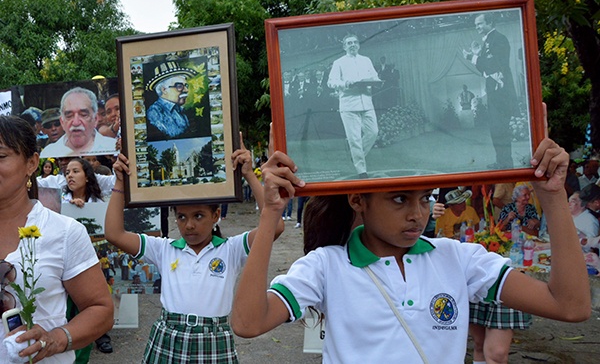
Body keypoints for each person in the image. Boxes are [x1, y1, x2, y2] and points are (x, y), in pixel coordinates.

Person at [230, 132, 591, 363]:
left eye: (424, 198)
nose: (417, 215)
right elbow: (247, 323)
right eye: (400, 199)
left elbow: (571, 306)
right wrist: (270, 215)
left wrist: (554, 197)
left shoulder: (459, 259)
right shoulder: (325, 266)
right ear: (358, 199)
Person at [104, 133, 284, 363]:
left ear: (216, 215)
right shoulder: (164, 249)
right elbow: (114, 234)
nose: (189, 225)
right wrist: (120, 183)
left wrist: (248, 173)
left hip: (214, 339)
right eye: (181, 217)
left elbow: (275, 226)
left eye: (198, 216)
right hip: (169, 337)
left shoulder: (231, 249)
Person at [0, 115, 113, 362]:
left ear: (31, 163)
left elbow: (100, 310)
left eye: (1, 156)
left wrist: (55, 339)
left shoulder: (63, 232)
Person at [464, 13, 518, 169]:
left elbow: (493, 64)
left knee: (501, 129)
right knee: (496, 129)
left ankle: (506, 164)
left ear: (490, 22)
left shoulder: (498, 39)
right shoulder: (489, 40)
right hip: (494, 91)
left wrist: (471, 57)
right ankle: (501, 162)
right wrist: (475, 56)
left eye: (480, 24)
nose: (477, 27)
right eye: (476, 25)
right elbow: (484, 69)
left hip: (501, 92)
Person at [327, 34, 381, 178]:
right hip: (349, 105)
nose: (352, 45)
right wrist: (345, 83)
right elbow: (331, 82)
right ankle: (361, 171)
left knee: (373, 132)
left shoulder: (366, 60)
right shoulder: (339, 62)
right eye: (349, 43)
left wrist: (376, 81)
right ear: (344, 46)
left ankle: (356, 156)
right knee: (355, 139)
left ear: (359, 45)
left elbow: (374, 77)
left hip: (367, 102)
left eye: (355, 42)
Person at [40, 87, 118, 158]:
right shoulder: (48, 153)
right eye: (69, 116)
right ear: (62, 122)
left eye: (83, 115)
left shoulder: (113, 147)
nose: (76, 122)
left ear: (95, 119)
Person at [146, 61, 199, 140]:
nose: (186, 90)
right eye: (179, 86)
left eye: (186, 86)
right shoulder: (154, 112)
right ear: (164, 89)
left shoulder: (181, 110)